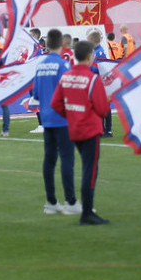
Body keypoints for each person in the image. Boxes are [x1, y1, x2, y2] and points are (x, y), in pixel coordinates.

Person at [50, 41, 110, 225]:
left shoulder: (66, 77)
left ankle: (86, 210)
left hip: (74, 128)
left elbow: (56, 104)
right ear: (90, 56)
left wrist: (71, 115)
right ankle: (87, 212)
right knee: (90, 171)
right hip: (90, 129)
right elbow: (102, 109)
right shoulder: (92, 78)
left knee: (86, 168)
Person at [31, 29, 80, 215]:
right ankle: (71, 201)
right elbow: (69, 90)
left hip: (46, 118)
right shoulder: (63, 65)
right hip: (62, 118)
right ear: (61, 44)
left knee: (49, 160)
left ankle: (51, 202)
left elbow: (35, 94)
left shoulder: (40, 65)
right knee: (67, 159)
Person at [87, 30, 113, 137]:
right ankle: (102, 129)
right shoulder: (95, 51)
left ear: (93, 40)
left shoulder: (99, 52)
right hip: (96, 82)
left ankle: (108, 130)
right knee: (99, 106)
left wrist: (89, 68)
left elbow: (101, 68)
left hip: (100, 82)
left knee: (105, 106)